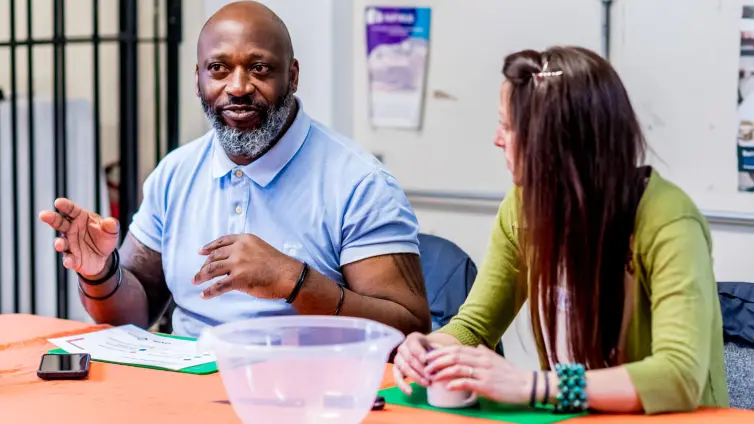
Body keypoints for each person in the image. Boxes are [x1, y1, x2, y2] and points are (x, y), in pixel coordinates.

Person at [38, 1, 430, 338]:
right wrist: (99, 273)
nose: (238, 87)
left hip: (305, 390)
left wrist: (295, 282)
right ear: (198, 79)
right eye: (219, 69)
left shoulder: (359, 183)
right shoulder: (175, 173)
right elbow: (136, 311)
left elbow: (409, 329)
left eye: (259, 68)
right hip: (185, 389)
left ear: (291, 76)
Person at [393, 46, 729, 414]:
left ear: (553, 143)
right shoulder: (521, 209)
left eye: (508, 125)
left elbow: (678, 376)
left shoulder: (667, 220)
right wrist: (428, 347)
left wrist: (530, 384)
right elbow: (474, 329)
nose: (498, 139)